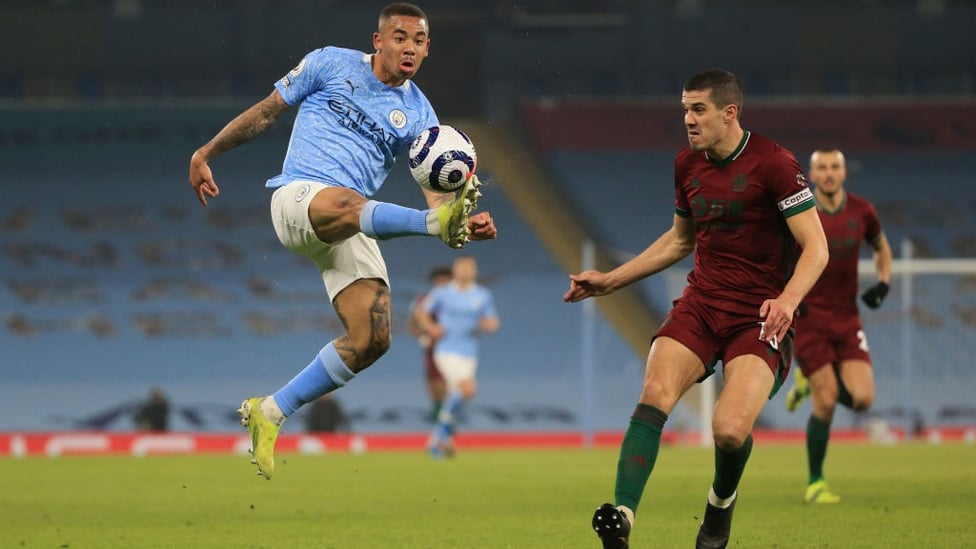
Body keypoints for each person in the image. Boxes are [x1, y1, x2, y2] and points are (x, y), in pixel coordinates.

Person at [187, 2, 497, 480]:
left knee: (373, 339)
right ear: (378, 41)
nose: (408, 47)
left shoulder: (420, 114)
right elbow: (267, 113)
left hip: (349, 222)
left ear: (427, 48)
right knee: (354, 204)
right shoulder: (330, 62)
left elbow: (438, 201)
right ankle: (425, 229)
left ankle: (270, 411)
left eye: (418, 40)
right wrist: (207, 151)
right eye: (399, 37)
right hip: (299, 198)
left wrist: (463, 223)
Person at [564, 69, 829, 549]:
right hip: (702, 305)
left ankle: (719, 509)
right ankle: (622, 515)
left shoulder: (774, 163)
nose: (687, 119)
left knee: (728, 432)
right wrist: (610, 280)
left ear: (730, 112)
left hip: (759, 315)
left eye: (698, 109)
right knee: (655, 392)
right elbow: (680, 241)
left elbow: (817, 248)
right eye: (684, 108)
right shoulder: (687, 164)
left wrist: (788, 301)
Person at [783, 147, 892, 503]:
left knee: (862, 399)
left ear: (844, 173)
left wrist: (884, 281)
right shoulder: (801, 213)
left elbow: (881, 246)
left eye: (834, 167)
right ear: (812, 176)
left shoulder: (862, 211)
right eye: (822, 168)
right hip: (810, 318)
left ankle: (804, 384)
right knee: (827, 400)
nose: (829, 173)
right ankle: (815, 483)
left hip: (847, 319)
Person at [415, 255, 499, 457]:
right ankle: (438, 440)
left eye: (470, 268)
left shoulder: (482, 295)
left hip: (469, 352)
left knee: (457, 396)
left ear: (475, 271)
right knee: (468, 389)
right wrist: (431, 327)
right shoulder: (442, 293)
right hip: (446, 350)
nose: (466, 271)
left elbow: (492, 320)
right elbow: (421, 312)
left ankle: (440, 440)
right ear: (455, 270)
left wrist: (489, 325)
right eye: (462, 267)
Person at [407, 265, 453, 421]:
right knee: (434, 379)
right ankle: (439, 408)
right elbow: (413, 323)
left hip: (454, 347)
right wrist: (423, 335)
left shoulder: (457, 299)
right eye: (438, 280)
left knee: (451, 379)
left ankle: (448, 409)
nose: (441, 283)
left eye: (445, 280)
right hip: (432, 348)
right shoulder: (424, 301)